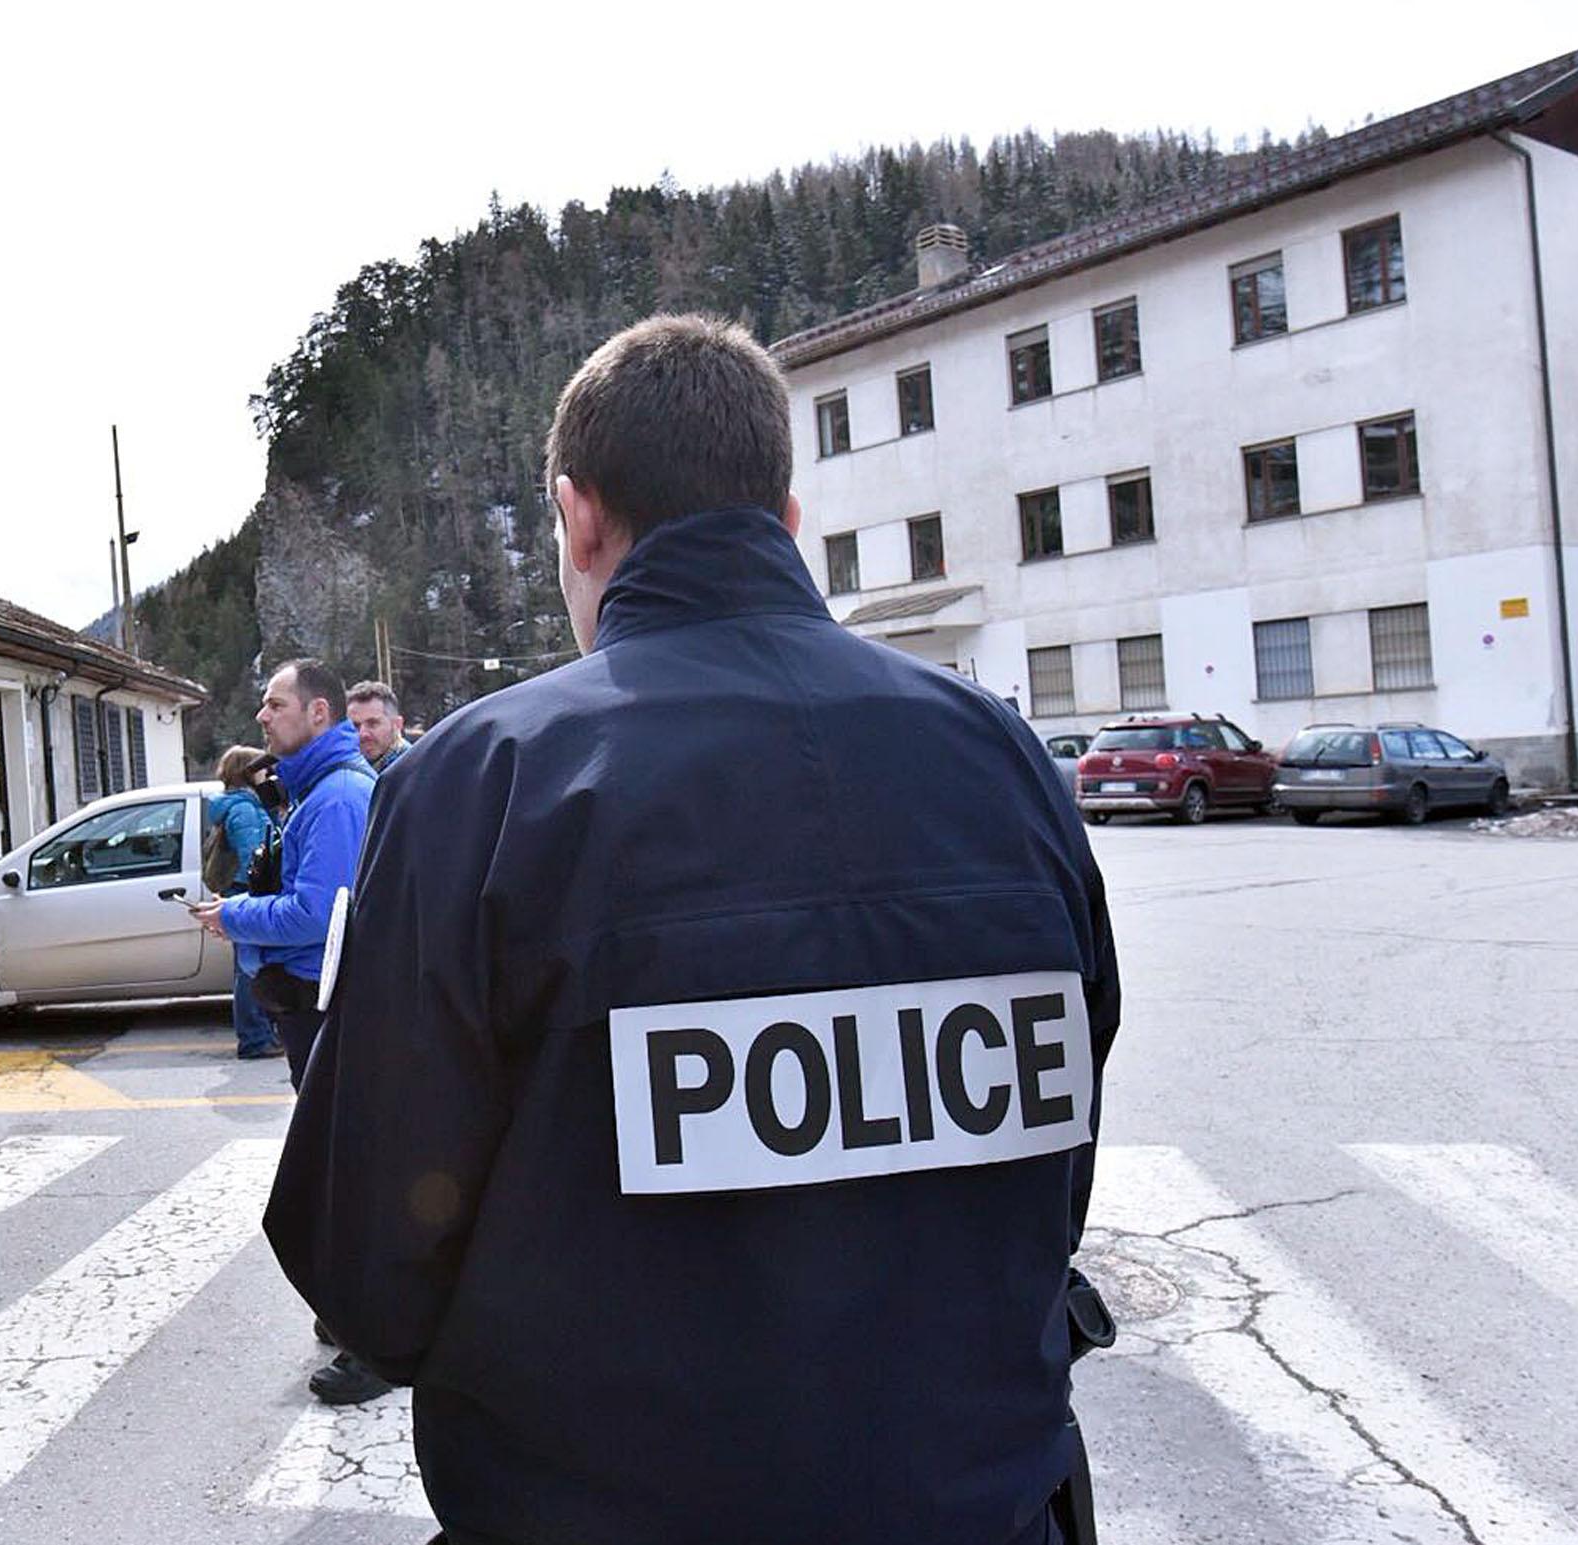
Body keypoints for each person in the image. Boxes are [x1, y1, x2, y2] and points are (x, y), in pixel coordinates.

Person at [264, 316, 1121, 1545]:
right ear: (786, 519)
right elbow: (1056, 1157)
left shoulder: (481, 785)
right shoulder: (1002, 759)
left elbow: (363, 1265)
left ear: (576, 518)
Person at [190, 657, 381, 1405]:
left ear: (319, 714)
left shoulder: (335, 800)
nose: (262, 717)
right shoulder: (320, 791)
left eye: (275, 705)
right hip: (313, 1007)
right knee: (339, 1167)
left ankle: (372, 1339)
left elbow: (315, 914)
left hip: (327, 1005)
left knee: (347, 1173)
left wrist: (231, 916)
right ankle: (350, 1315)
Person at [205, 744, 283, 1061]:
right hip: (247, 892)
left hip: (240, 891)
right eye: (262, 769)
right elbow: (257, 854)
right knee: (249, 968)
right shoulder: (245, 809)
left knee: (249, 965)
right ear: (249, 772)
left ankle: (260, 1034)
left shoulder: (237, 806)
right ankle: (255, 1038)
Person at [345, 680, 412, 773]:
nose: (362, 734)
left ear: (397, 724)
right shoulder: (346, 768)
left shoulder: (414, 770)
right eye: (355, 726)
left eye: (373, 724)